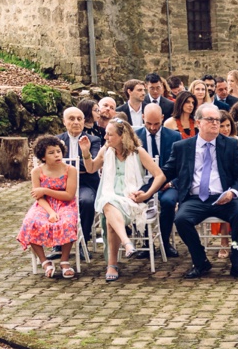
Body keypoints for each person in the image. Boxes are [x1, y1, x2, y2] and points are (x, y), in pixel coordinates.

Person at [162, 103, 238, 280]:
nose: (215, 123)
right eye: (210, 119)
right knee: (181, 219)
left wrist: (233, 193)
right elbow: (165, 172)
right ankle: (200, 262)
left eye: (217, 120)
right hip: (195, 198)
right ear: (198, 122)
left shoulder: (230, 144)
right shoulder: (182, 146)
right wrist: (146, 190)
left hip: (225, 197)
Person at [80, 119, 166, 282]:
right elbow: (91, 168)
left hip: (131, 199)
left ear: (122, 137)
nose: (105, 137)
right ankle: (126, 244)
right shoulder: (106, 150)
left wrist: (146, 194)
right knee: (108, 202)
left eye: (110, 134)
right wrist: (85, 151)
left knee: (109, 212)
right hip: (110, 196)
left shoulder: (138, 152)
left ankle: (112, 264)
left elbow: (160, 176)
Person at [17, 134, 80, 278]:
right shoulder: (37, 172)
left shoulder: (70, 170)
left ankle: (64, 260)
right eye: (51, 153)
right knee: (30, 222)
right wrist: (51, 212)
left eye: (58, 151)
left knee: (67, 222)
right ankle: (44, 261)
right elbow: (38, 197)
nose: (57, 155)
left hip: (66, 203)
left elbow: (69, 195)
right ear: (43, 157)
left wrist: (45, 190)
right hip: (44, 204)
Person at [136, 103, 182, 259]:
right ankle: (145, 243)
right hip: (143, 182)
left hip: (168, 184)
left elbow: (181, 166)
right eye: (149, 123)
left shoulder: (174, 137)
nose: (153, 127)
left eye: (156, 123)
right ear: (143, 118)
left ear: (163, 118)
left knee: (168, 202)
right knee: (136, 200)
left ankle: (165, 241)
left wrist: (172, 183)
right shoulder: (135, 137)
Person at [57, 106, 102, 242]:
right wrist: (80, 164)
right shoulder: (56, 141)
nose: (76, 122)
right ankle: (58, 243)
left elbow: (91, 165)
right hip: (61, 184)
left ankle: (83, 241)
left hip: (85, 183)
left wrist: (65, 164)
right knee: (56, 203)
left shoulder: (93, 140)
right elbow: (51, 164)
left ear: (83, 121)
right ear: (64, 122)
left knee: (87, 201)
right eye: (71, 119)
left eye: (79, 119)